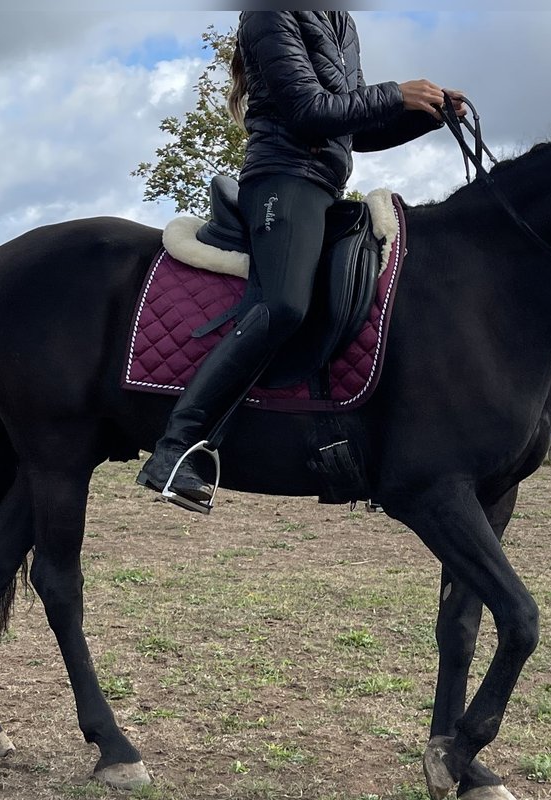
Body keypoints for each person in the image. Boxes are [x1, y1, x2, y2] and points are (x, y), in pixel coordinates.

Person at [137, 10, 465, 511]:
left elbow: (358, 125)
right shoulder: (269, 14)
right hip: (282, 180)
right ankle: (177, 448)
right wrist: (397, 92)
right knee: (285, 303)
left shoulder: (341, 23)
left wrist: (425, 115)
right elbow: (310, 110)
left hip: (325, 184)